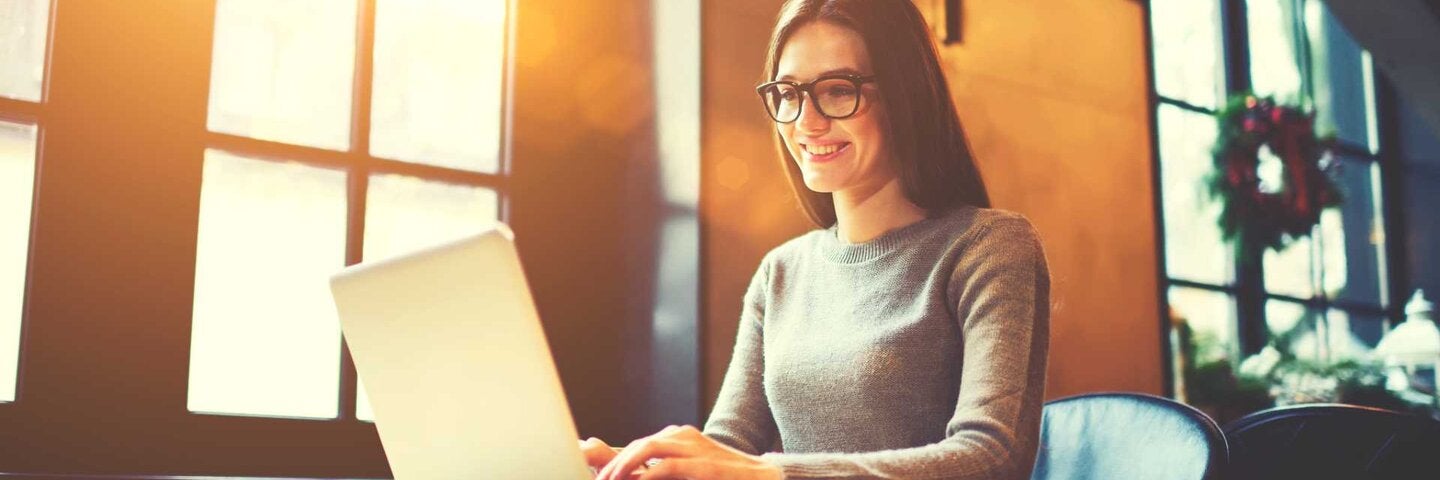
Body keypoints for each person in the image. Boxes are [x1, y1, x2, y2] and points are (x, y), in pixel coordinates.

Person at [583, 0, 1050, 478]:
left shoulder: (989, 247)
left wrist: (771, 475)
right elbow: (726, 450)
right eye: (788, 94)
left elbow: (991, 457)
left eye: (837, 90)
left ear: (905, 94)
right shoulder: (781, 272)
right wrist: (628, 464)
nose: (806, 121)